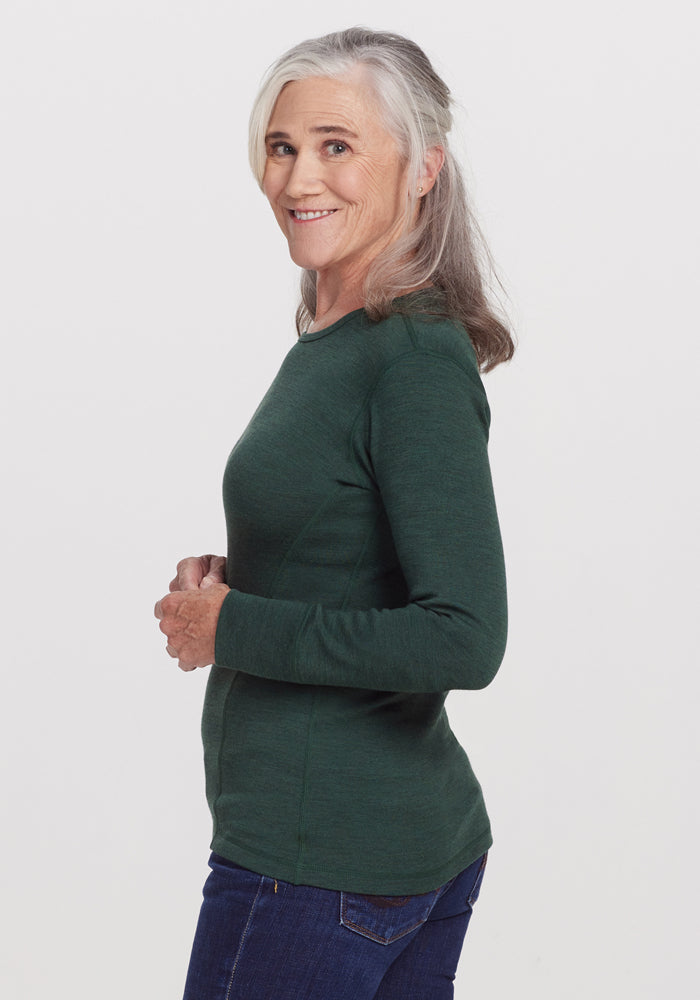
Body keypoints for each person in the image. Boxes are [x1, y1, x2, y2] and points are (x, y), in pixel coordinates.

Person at [154, 27, 514, 1000]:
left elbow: (464, 636)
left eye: (336, 144)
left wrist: (236, 626)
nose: (298, 176)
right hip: (361, 851)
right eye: (282, 146)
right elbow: (346, 543)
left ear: (423, 167)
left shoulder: (409, 360)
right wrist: (231, 584)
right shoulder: (335, 334)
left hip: (318, 869)